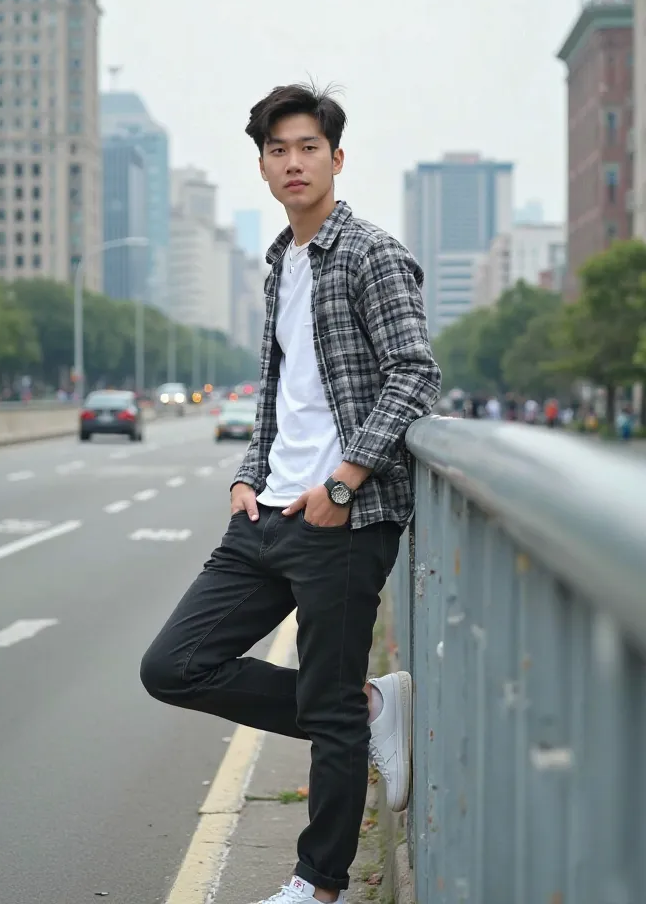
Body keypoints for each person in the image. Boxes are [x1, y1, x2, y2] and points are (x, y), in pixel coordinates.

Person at [140, 82, 442, 904]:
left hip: (341, 518)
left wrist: (343, 482)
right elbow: (281, 395)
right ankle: (366, 704)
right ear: (265, 167)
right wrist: (247, 473)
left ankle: (319, 885)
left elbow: (416, 373)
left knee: (328, 713)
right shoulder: (281, 261)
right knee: (173, 666)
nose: (294, 162)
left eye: (309, 147)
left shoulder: (371, 253)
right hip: (267, 511)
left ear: (336, 160)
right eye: (279, 150)